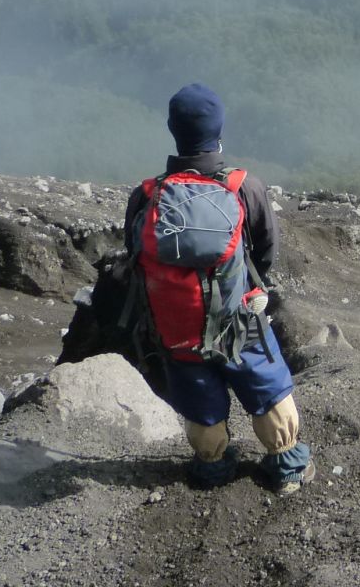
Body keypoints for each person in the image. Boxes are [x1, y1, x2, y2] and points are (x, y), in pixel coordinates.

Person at [124, 84, 314, 493]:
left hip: (177, 328)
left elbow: (133, 254)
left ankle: (212, 468)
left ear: (173, 130)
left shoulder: (146, 195)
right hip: (238, 319)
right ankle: (288, 468)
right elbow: (264, 252)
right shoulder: (244, 187)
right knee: (267, 388)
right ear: (219, 128)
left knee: (200, 404)